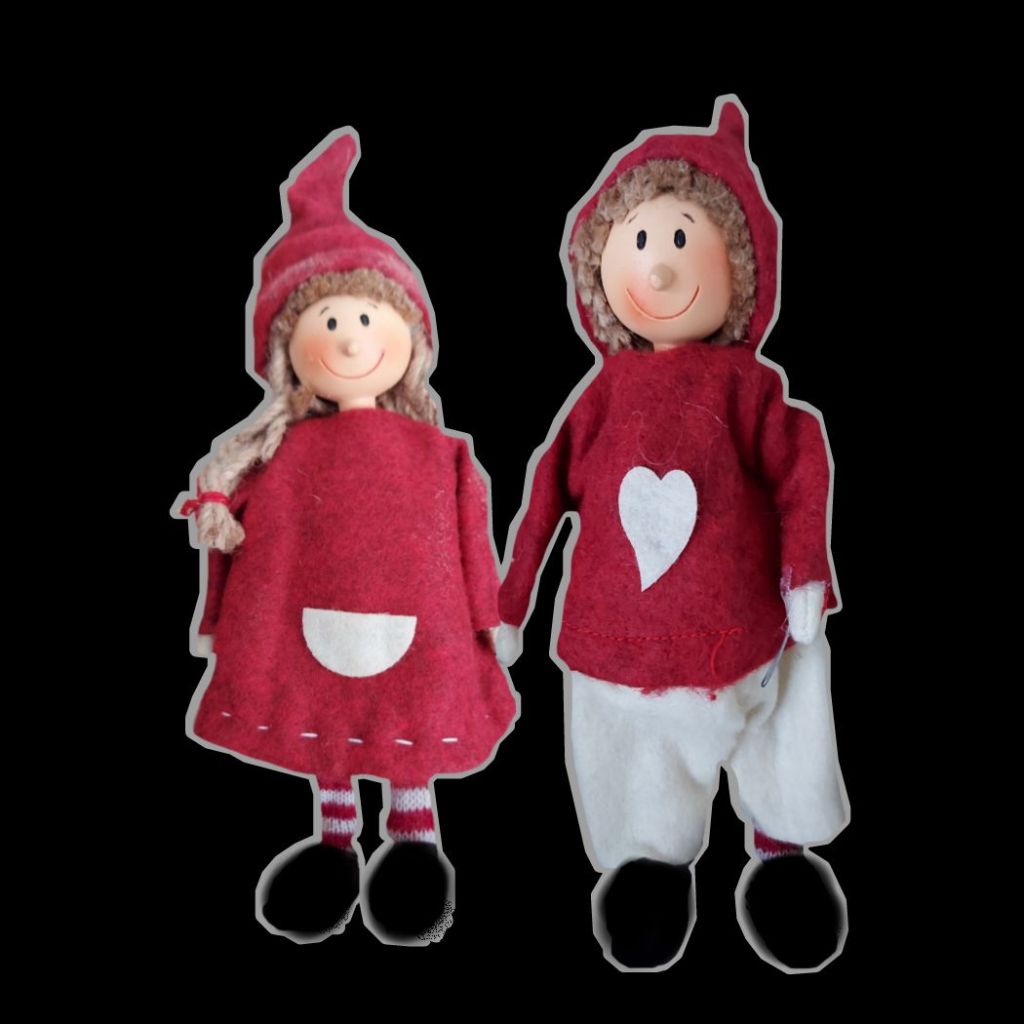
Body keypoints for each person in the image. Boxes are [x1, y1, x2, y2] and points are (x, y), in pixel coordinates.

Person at [496, 96, 849, 972]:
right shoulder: (600, 397)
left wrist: (805, 571)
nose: (658, 268)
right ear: (601, 266)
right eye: (642, 241)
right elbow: (544, 493)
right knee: (634, 752)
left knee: (783, 707)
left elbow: (802, 470)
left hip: (748, 631)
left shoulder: (751, 389)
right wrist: (510, 601)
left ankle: (780, 847)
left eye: (684, 239)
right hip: (621, 645)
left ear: (741, 268)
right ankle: (651, 862)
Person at [177, 130, 518, 945]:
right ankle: (336, 839)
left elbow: (472, 538)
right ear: (288, 351)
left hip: (422, 629)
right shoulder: (279, 452)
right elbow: (232, 537)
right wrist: (217, 616)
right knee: (324, 718)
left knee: (410, 717)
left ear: (411, 338)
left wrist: (490, 618)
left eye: (367, 316)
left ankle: (414, 839)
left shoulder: (443, 453)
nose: (352, 337)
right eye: (329, 320)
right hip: (311, 620)